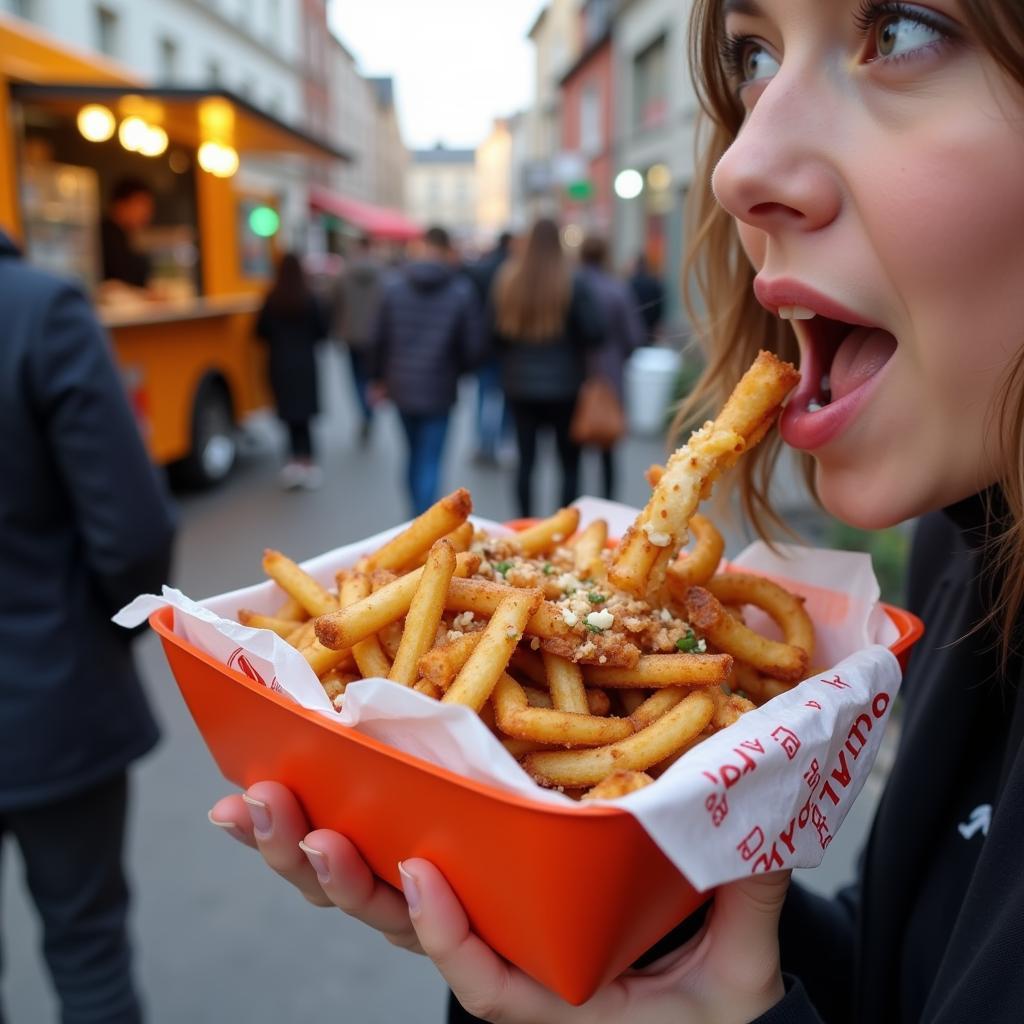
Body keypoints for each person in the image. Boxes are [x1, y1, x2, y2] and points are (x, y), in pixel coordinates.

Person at [208, 1, 1024, 1021]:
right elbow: (915, 972)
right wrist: (629, 918)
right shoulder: (972, 541)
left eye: (898, 29)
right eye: (751, 54)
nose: (735, 169)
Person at [0, 231, 176, 1022]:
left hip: (46, 692)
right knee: (87, 947)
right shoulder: (37, 310)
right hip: (48, 692)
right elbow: (132, 530)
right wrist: (109, 631)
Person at [488, 217, 605, 518]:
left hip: (519, 384)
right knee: (569, 463)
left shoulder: (508, 279)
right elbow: (595, 332)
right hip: (565, 385)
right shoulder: (572, 281)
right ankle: (563, 526)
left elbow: (494, 335)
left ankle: (525, 525)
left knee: (525, 461)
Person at [369, 225, 483, 516]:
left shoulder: (393, 286)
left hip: (401, 384)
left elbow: (378, 337)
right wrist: (459, 370)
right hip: (440, 385)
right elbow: (472, 346)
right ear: (447, 251)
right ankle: (423, 518)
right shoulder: (460, 290)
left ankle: (414, 515)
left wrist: (377, 377)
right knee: (430, 457)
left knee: (412, 452)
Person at [577, 234, 646, 501]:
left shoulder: (571, 285)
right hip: (610, 372)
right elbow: (633, 335)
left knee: (572, 447)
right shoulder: (616, 288)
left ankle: (577, 504)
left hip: (576, 373)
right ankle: (606, 500)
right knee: (608, 442)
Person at [255, 252, 329, 490]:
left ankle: (293, 462)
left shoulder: (271, 298)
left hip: (279, 363)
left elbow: (259, 332)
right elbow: (322, 331)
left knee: (288, 415)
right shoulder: (310, 298)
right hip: (305, 363)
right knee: (304, 417)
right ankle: (308, 462)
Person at [465, 230, 515, 465]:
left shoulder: (481, 269)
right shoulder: (514, 272)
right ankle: (504, 444)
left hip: (485, 346)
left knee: (484, 395)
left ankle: (484, 442)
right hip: (509, 348)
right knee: (507, 398)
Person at [330, 235, 382, 445]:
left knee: (356, 379)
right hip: (375, 336)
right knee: (370, 377)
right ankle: (369, 412)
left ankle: (364, 411)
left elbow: (332, 303)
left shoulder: (343, 274)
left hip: (350, 335)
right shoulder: (382, 274)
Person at [100, 177, 155, 290]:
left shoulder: (124, 236)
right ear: (120, 204)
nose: (147, 212)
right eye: (142, 204)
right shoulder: (105, 236)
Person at [628, 253, 665, 343]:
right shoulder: (655, 284)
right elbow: (659, 308)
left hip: (634, 327)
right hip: (650, 329)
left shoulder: (630, 284)